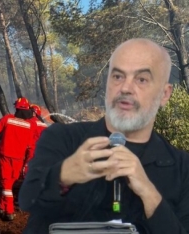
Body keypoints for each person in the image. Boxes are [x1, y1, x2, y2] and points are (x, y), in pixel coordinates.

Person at [18, 38, 189, 234]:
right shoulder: (62, 138)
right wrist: (63, 175)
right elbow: (27, 200)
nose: (125, 88)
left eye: (141, 79)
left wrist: (149, 193)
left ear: (165, 94)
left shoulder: (183, 168)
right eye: (117, 76)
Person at [0, 97, 37, 221]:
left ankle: (3, 206)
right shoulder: (30, 125)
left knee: (7, 183)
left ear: (17, 108)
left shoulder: (7, 119)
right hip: (19, 158)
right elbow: (31, 146)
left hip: (5, 155)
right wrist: (28, 161)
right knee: (8, 182)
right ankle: (8, 210)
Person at [22, 104, 48, 177]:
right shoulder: (44, 125)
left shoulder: (29, 122)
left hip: (32, 150)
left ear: (33, 113)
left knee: (27, 169)